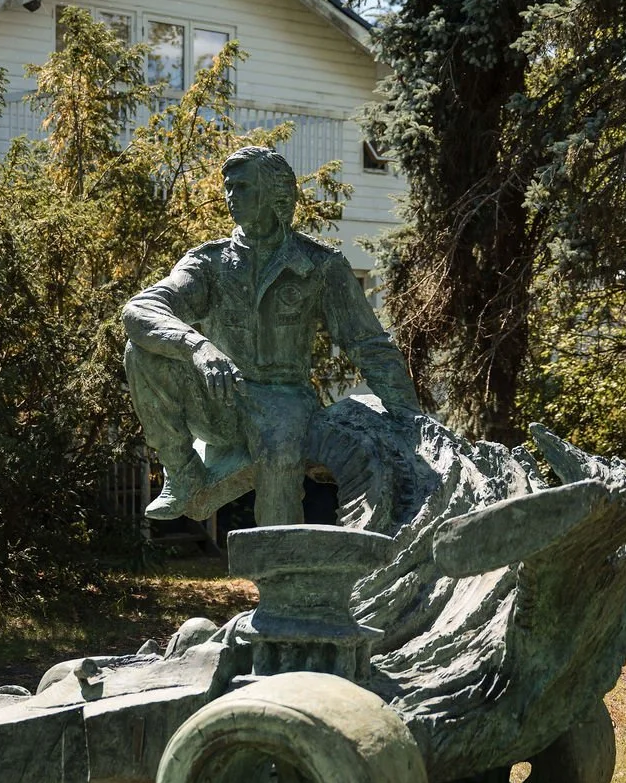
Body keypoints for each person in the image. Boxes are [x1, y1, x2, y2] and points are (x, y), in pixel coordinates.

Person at [123, 145, 420, 525]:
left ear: (276, 193)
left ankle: (280, 552)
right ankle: (182, 470)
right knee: (141, 350)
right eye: (229, 187)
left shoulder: (319, 265)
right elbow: (139, 309)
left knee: (279, 458)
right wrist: (197, 346)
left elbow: (368, 345)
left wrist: (411, 421)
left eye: (243, 187)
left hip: (284, 399)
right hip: (219, 399)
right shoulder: (209, 263)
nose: (231, 196)